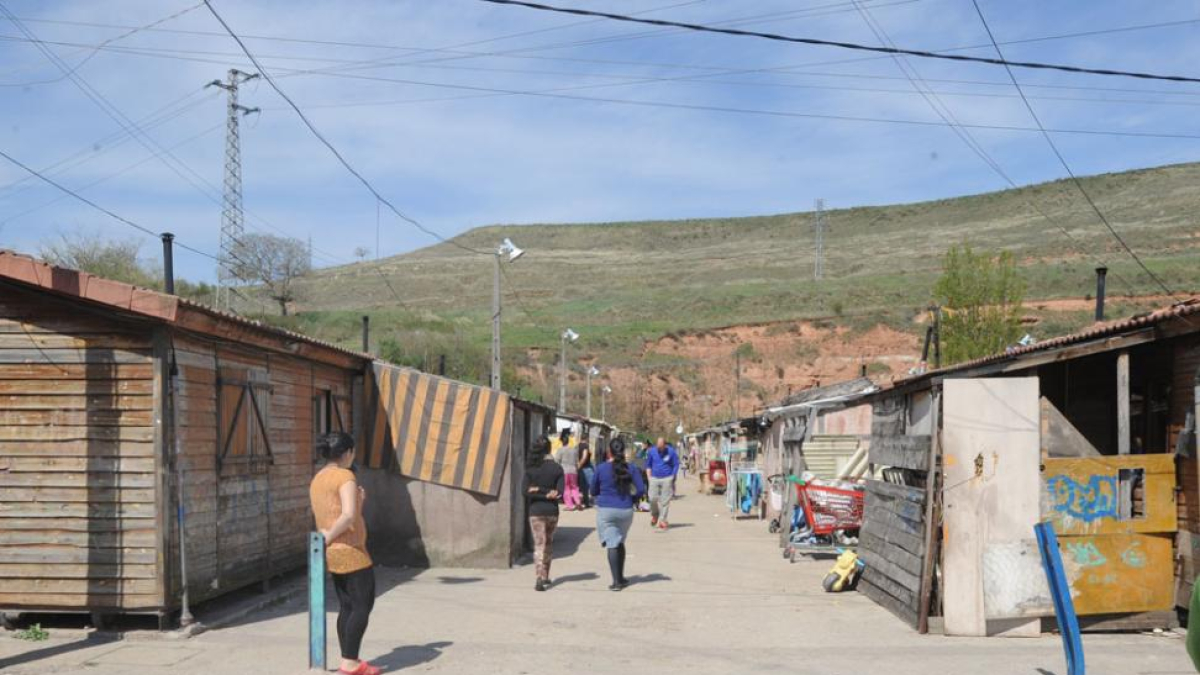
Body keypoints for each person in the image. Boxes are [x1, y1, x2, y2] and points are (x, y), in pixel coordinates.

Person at [310, 432, 380, 675]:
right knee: (362, 604)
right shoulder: (345, 476)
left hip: (332, 552)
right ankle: (350, 662)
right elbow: (348, 515)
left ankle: (348, 659)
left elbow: (333, 511)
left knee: (347, 606)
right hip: (351, 549)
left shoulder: (318, 478)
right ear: (347, 452)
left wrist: (359, 502)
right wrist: (331, 535)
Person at [591, 437, 646, 591]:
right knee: (619, 541)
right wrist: (633, 499)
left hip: (606, 511)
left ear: (609, 451)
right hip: (626, 511)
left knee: (612, 543)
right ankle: (621, 577)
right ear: (624, 451)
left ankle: (616, 583)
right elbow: (641, 489)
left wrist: (600, 495)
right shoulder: (631, 468)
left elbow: (593, 490)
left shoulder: (601, 468)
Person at [525, 435, 564, 591]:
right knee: (548, 544)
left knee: (539, 544)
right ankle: (546, 575)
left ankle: (539, 577)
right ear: (549, 449)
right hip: (552, 512)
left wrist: (538, 490)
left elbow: (525, 491)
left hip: (536, 512)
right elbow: (560, 493)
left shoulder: (531, 469)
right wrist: (549, 493)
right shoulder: (557, 468)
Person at [646, 437, 680, 530]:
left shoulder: (671, 451)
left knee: (665, 500)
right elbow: (648, 465)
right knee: (652, 498)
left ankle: (662, 520)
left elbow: (676, 464)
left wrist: (673, 475)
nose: (659, 449)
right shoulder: (652, 451)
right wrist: (649, 477)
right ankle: (655, 515)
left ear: (665, 445)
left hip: (667, 478)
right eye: (658, 447)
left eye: (661, 447)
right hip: (654, 477)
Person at [554, 429, 582, 511]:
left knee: (566, 488)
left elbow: (557, 461)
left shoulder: (560, 450)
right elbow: (577, 461)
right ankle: (578, 502)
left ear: (562, 441)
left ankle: (570, 505)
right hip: (574, 471)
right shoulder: (574, 450)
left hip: (564, 471)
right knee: (574, 487)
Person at [577, 440, 595, 509]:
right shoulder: (585, 446)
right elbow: (584, 457)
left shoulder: (577, 446)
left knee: (584, 487)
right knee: (590, 485)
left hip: (581, 468)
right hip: (586, 468)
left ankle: (586, 501)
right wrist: (580, 464)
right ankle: (589, 502)